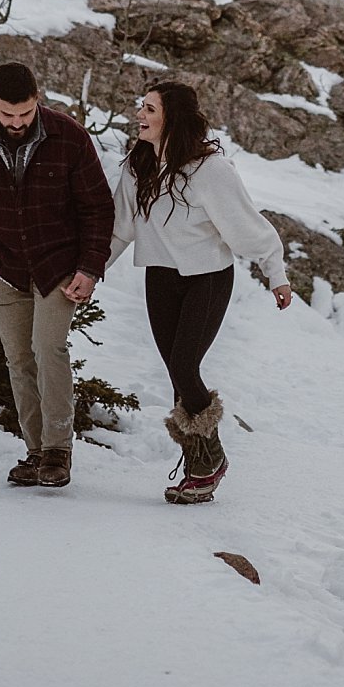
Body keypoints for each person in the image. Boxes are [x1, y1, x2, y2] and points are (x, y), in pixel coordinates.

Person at [107, 81, 291, 504]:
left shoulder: (211, 170)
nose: (140, 114)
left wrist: (275, 274)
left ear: (173, 117)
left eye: (150, 109)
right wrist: (90, 271)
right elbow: (120, 229)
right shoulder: (137, 168)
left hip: (206, 278)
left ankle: (211, 461)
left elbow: (247, 227)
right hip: (160, 277)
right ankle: (198, 471)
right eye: (142, 106)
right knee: (176, 373)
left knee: (185, 365)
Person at [0, 61, 114, 490]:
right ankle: (35, 452)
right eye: (8, 115)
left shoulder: (69, 137)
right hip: (1, 265)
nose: (17, 123)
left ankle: (58, 450)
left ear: (38, 100)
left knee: (47, 347)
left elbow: (97, 208)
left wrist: (90, 268)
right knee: (18, 357)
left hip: (58, 264)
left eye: (25, 114)